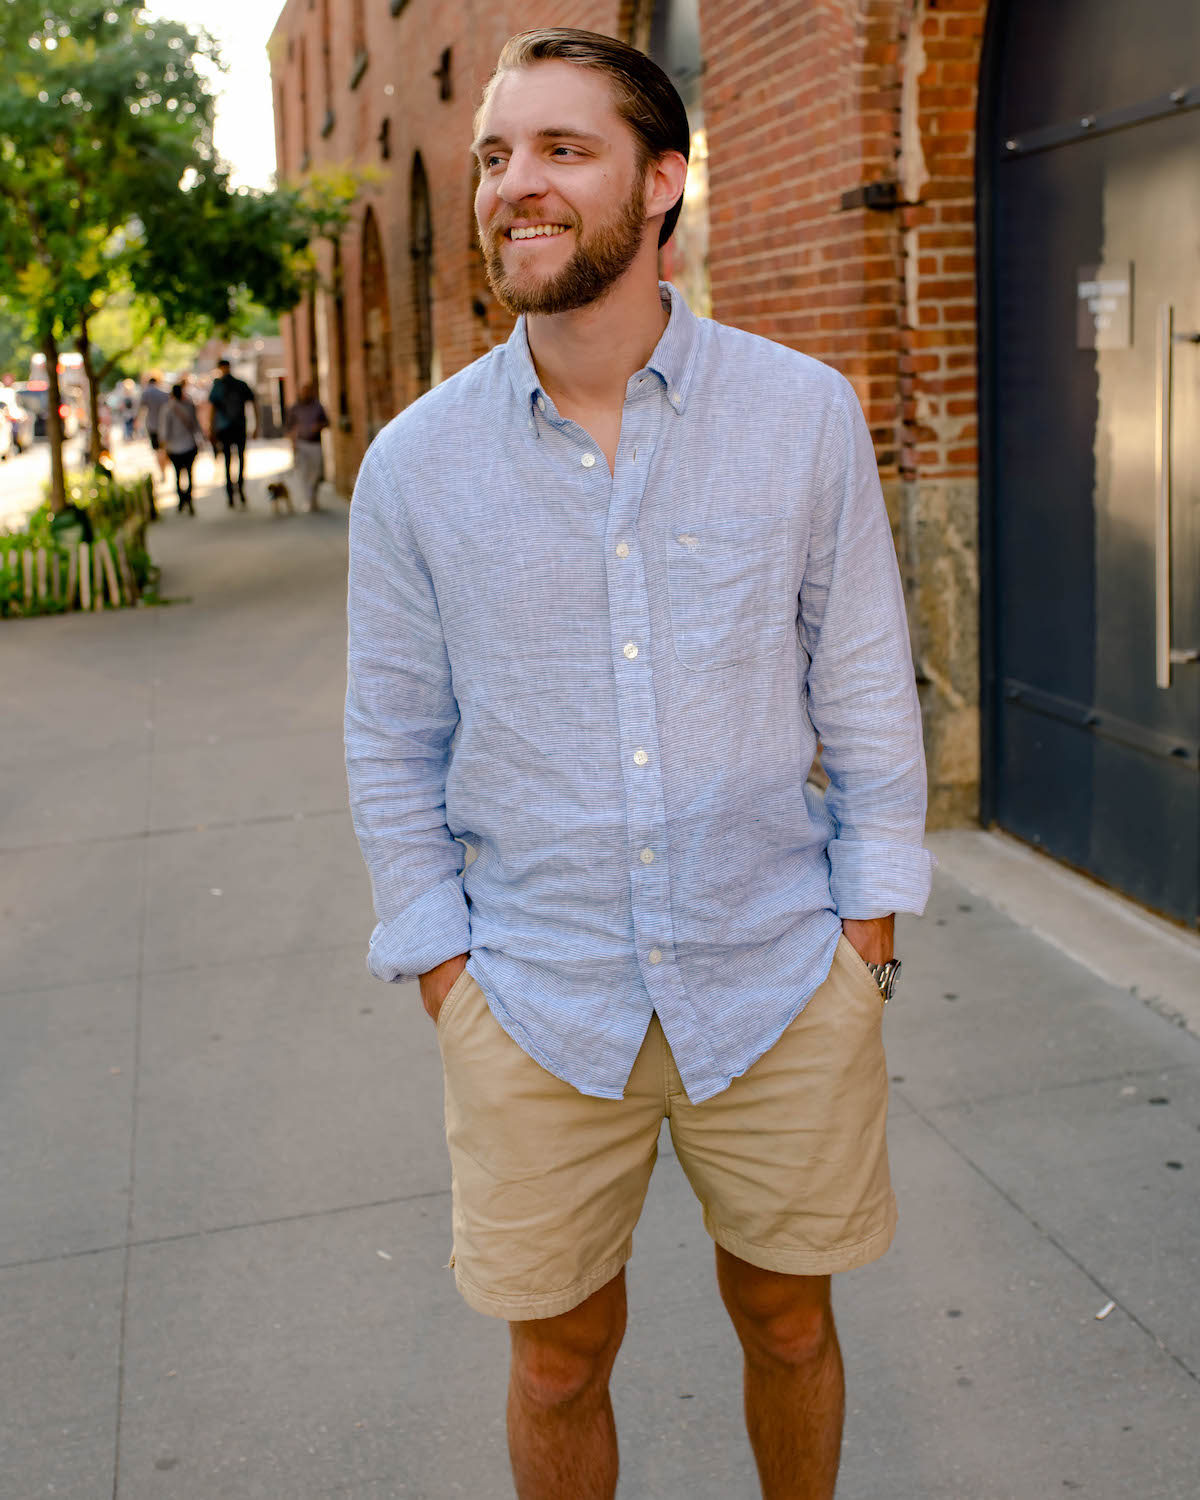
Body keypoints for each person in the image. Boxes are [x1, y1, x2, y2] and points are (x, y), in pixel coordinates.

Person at [345, 29, 933, 1500]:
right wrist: (442, 967)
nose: (511, 187)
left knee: (790, 1325)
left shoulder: (800, 416)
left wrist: (867, 937)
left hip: (781, 973)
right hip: (532, 991)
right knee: (555, 1356)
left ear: (662, 181)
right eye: (493, 155)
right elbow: (391, 737)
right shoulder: (417, 467)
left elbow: (863, 684)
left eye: (560, 150)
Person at [206, 358, 258, 508]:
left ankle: (232, 492)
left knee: (230, 460)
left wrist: (211, 428)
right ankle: (238, 490)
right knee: (238, 459)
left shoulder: (220, 386)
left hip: (227, 427)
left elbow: (212, 409)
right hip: (236, 427)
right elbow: (253, 403)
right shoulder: (236, 384)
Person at [159, 381, 204, 515]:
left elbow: (164, 432)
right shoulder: (189, 407)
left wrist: (163, 446)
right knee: (190, 474)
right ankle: (188, 499)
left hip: (174, 448)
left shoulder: (167, 409)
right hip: (189, 445)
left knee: (178, 474)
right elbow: (196, 426)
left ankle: (181, 500)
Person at [284, 381, 329, 510]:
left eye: (307, 391)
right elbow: (288, 427)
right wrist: (292, 442)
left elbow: (327, 422)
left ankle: (313, 496)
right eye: (303, 391)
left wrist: (319, 426)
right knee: (303, 472)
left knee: (316, 473)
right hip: (301, 443)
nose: (305, 394)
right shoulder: (295, 408)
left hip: (315, 443)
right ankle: (308, 500)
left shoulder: (318, 407)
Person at [137, 373, 169, 485]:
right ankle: (165, 468)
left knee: (157, 451)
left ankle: (163, 472)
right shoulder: (164, 393)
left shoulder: (146, 393)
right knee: (164, 449)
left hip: (152, 426)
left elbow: (140, 409)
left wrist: (137, 422)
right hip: (164, 426)